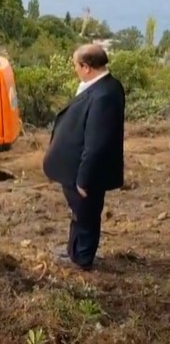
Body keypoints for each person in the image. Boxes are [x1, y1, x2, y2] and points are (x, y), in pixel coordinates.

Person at [42, 43, 125, 271]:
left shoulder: (105, 95)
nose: (75, 69)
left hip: (84, 171)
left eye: (76, 65)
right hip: (75, 168)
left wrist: (83, 179)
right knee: (78, 211)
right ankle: (74, 250)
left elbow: (96, 143)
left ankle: (82, 258)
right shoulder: (99, 86)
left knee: (86, 215)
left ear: (87, 67)